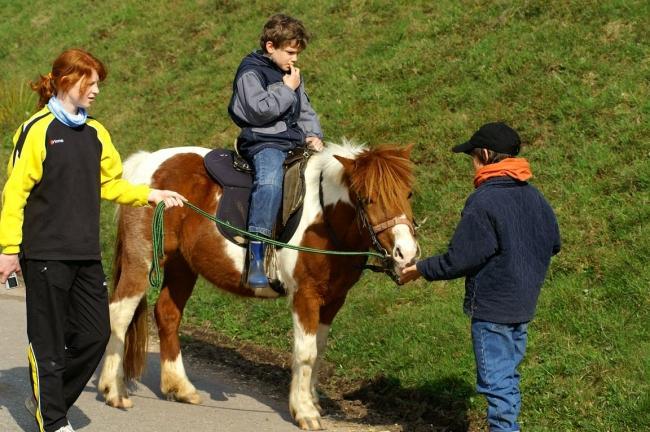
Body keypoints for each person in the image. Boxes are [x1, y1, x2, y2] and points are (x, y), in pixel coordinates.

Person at [0, 48, 185, 432]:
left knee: (95, 333)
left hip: (85, 252)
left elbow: (110, 182)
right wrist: (8, 250)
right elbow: (14, 193)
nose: (97, 90)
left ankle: (48, 396)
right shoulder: (36, 131)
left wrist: (149, 194)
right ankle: (53, 420)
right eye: (92, 82)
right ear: (68, 80)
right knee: (48, 343)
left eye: (99, 83)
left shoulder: (96, 132)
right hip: (44, 252)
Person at [400, 122, 561, 432]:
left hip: (492, 310)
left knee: (497, 386)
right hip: (522, 307)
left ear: (486, 155)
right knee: (508, 378)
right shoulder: (535, 197)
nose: (471, 165)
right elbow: (553, 242)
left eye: (472, 157)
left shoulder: (484, 200)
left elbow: (460, 258)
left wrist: (420, 269)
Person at [228, 13, 324, 290]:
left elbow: (304, 110)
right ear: (271, 46)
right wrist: (286, 89)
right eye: (290, 52)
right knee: (269, 183)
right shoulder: (250, 71)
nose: (294, 59)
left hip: (293, 142)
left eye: (297, 53)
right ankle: (257, 256)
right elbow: (259, 111)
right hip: (264, 142)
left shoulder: (290, 74)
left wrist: (314, 135)